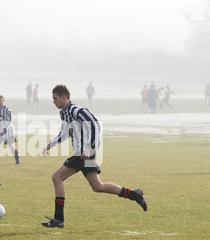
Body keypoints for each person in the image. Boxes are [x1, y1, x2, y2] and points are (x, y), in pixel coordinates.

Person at [41, 85, 147, 228]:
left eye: (55, 98)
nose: (53, 101)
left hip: (83, 153)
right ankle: (135, 195)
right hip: (81, 154)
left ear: (64, 97)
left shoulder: (78, 111)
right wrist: (50, 145)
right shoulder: (64, 114)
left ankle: (59, 219)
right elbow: (65, 133)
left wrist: (89, 148)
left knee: (57, 177)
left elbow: (94, 124)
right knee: (98, 186)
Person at [0, 95, 20, 165]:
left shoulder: (7, 109)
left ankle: (17, 160)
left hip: (8, 130)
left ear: (3, 101)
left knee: (11, 145)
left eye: (1, 100)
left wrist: (5, 128)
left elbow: (9, 120)